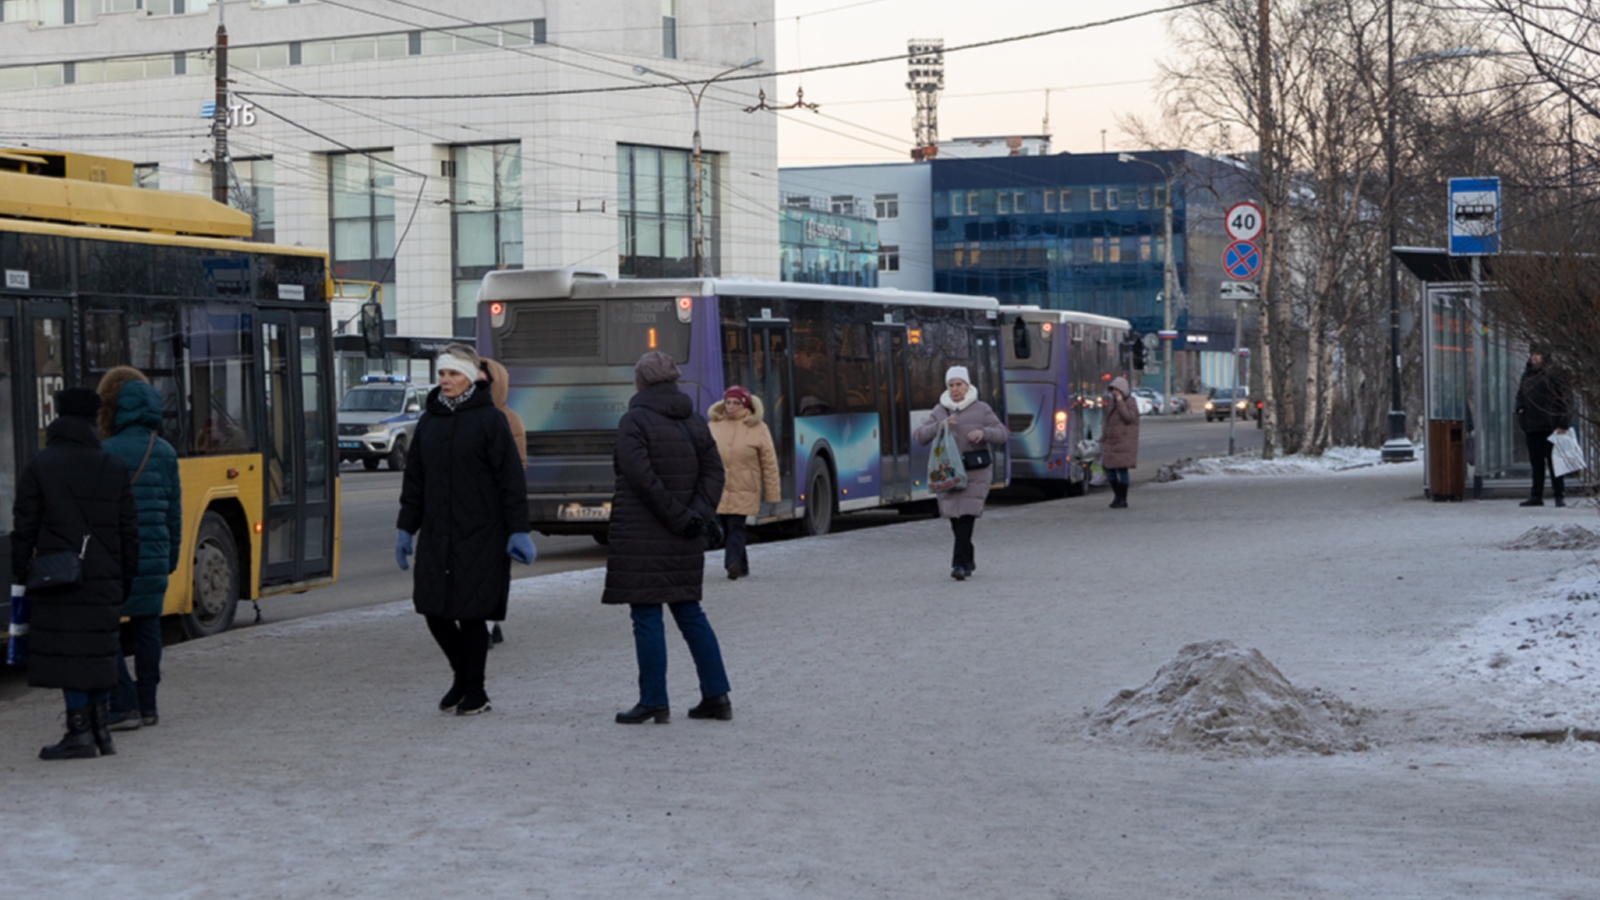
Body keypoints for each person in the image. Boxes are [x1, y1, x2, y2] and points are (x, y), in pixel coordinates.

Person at [396, 344, 533, 716]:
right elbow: (415, 482)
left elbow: (510, 481)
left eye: (453, 374)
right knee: (433, 609)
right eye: (442, 374)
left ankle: (476, 691)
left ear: (470, 378)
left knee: (471, 613)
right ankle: (462, 676)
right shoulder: (429, 421)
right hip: (438, 533)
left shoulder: (490, 421)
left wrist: (518, 530)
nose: (446, 381)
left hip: (481, 533)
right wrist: (406, 528)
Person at [603, 350, 732, 724]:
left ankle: (654, 700)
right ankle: (717, 695)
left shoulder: (633, 422)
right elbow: (715, 473)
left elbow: (641, 480)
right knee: (690, 612)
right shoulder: (694, 420)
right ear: (674, 380)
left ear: (640, 382)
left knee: (646, 615)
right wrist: (696, 516)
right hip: (686, 534)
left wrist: (678, 517)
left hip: (643, 536)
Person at [13, 387, 139, 760]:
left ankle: (78, 734)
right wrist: (124, 579)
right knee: (98, 651)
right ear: (94, 420)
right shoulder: (113, 466)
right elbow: (129, 532)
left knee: (71, 655)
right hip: (106, 575)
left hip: (59, 576)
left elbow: (25, 528)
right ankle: (101, 732)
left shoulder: (40, 465)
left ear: (58, 417)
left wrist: (22, 574)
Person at [95, 367, 182, 732]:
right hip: (154, 555)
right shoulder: (164, 451)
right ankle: (148, 706)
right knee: (149, 630)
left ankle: (124, 701)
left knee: (103, 629)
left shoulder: (105, 451)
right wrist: (171, 558)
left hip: (115, 556)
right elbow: (174, 513)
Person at [913, 366, 1007, 580]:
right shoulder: (940, 410)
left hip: (975, 470)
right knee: (955, 519)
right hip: (947, 472)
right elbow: (919, 437)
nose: (955, 389)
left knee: (966, 516)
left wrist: (984, 433)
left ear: (968, 386)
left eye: (959, 385)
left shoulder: (981, 409)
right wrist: (939, 426)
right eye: (951, 385)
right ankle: (968, 557)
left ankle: (958, 565)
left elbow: (1002, 433)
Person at [707, 385, 780, 580]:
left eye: (736, 403)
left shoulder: (758, 428)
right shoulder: (713, 426)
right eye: (728, 402)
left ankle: (732, 564)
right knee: (727, 526)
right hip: (719, 487)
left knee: (735, 526)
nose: (731, 407)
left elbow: (769, 462)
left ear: (745, 405)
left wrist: (772, 493)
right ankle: (743, 566)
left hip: (745, 487)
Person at [481, 357, 527, 647]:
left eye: (484, 382)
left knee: (492, 570)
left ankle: (490, 623)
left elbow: (516, 471)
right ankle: (485, 623)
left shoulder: (509, 420)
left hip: (496, 509)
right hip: (471, 507)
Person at [1515, 346, 1572, 508]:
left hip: (1551, 427)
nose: (1535, 358)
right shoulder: (1527, 375)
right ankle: (1536, 495)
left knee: (1555, 464)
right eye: (1533, 355)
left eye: (1538, 354)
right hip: (1532, 426)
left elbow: (1566, 400)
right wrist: (1520, 412)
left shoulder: (1555, 376)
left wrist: (1563, 423)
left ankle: (1559, 495)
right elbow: (1520, 396)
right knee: (1536, 464)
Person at [1102, 376, 1141, 509]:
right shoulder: (1112, 404)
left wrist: (1120, 402)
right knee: (1109, 469)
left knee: (1122, 470)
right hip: (1112, 442)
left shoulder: (1130, 402)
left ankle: (1122, 499)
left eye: (1116, 390)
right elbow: (1109, 423)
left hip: (1124, 443)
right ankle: (1117, 496)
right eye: (1112, 390)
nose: (1114, 392)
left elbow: (1128, 418)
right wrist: (1103, 438)